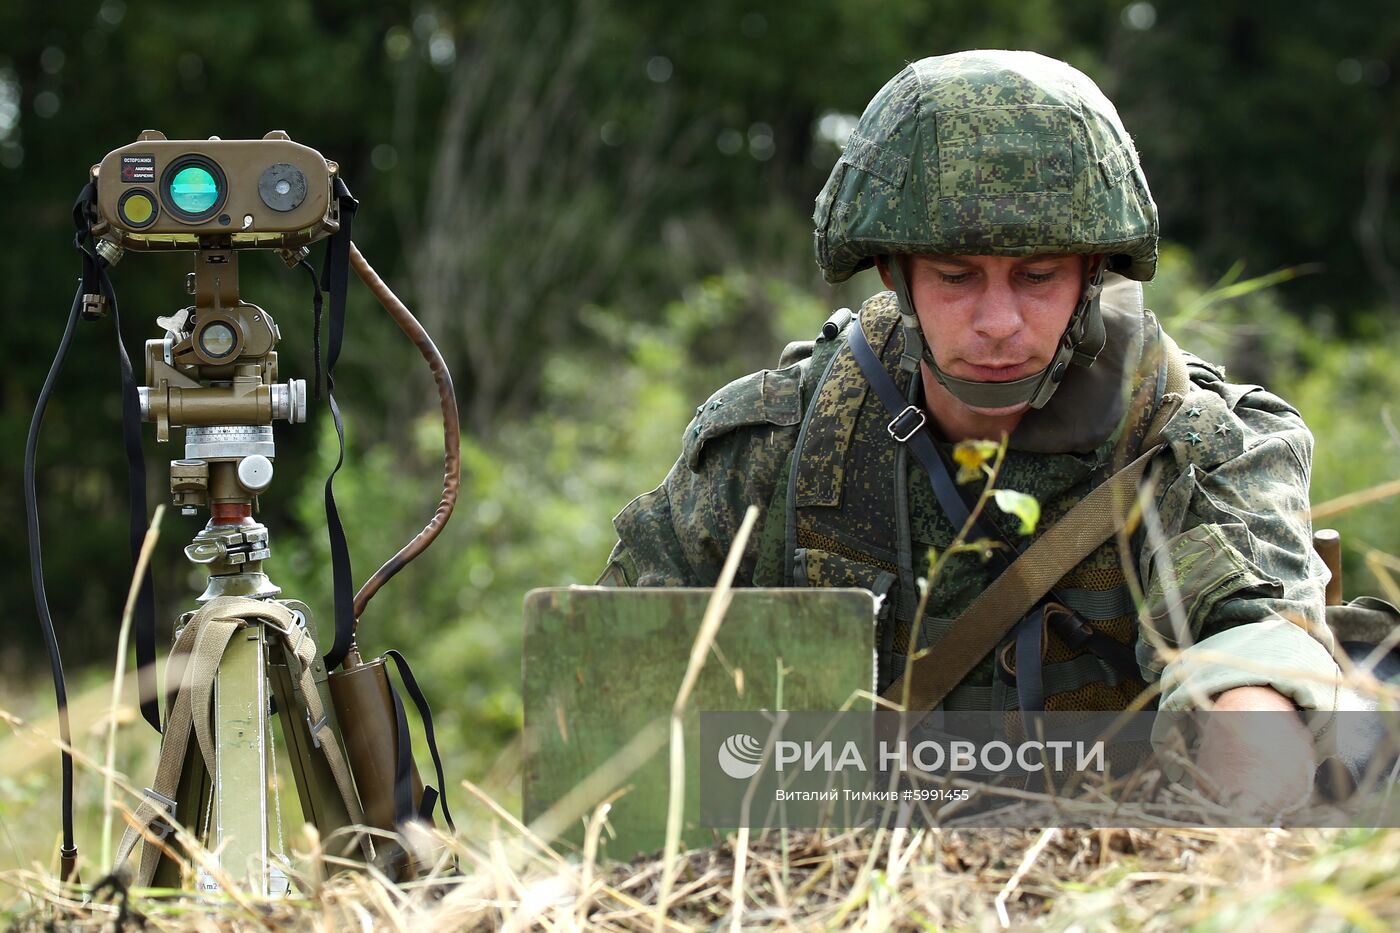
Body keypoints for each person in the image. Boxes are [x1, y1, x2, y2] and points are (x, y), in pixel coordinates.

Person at [599, 51, 1340, 808]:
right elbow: (609, 693)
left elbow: (1252, 664)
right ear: (895, 275)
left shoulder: (1194, 444)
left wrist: (1241, 818)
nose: (997, 324)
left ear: (1092, 275)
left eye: (1037, 275)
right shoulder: (778, 446)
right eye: (956, 277)